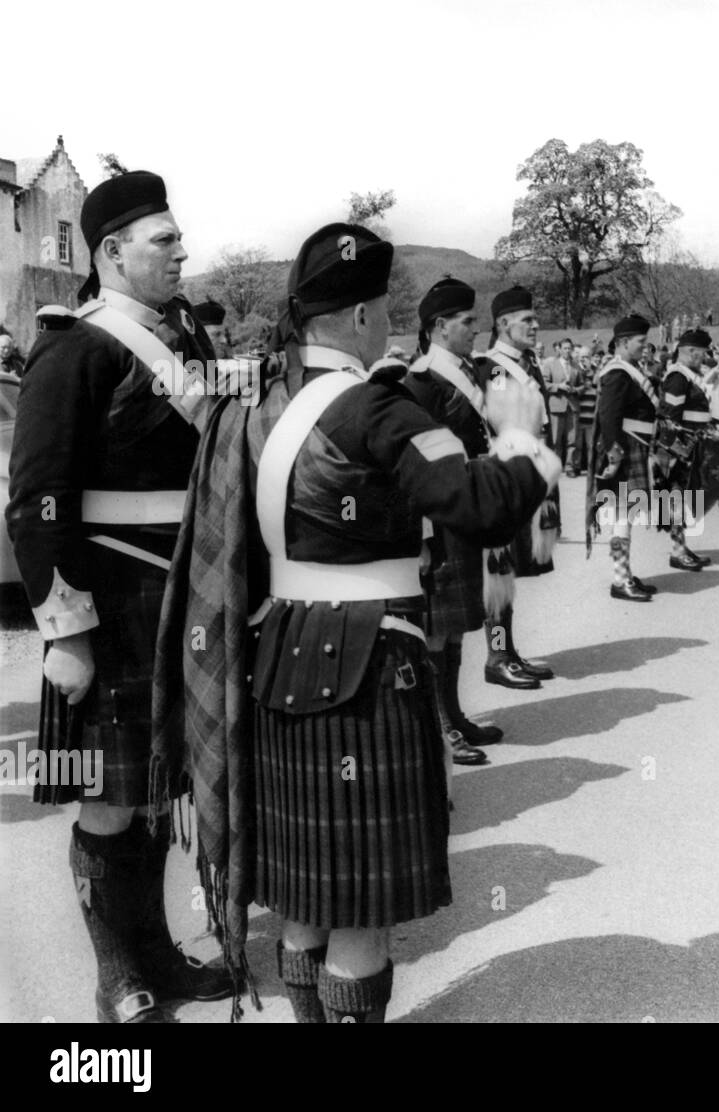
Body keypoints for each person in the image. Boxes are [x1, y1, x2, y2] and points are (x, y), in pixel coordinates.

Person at [156, 223, 558, 1022]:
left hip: (277, 660)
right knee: (361, 916)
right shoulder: (381, 409)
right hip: (372, 669)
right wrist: (527, 447)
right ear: (366, 316)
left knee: (306, 901)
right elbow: (477, 506)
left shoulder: (261, 406)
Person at [5, 170, 232, 1022]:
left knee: (156, 786)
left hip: (184, 600)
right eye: (162, 241)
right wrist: (65, 629)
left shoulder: (189, 344)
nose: (180, 252)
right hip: (112, 604)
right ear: (110, 253)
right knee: (108, 796)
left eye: (177, 238)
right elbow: (36, 500)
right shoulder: (72, 347)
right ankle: (116, 976)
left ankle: (161, 957)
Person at [402, 277, 498, 766]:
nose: (475, 329)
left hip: (465, 508)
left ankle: (455, 715)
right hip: (438, 515)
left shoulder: (462, 372)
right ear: (439, 327)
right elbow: (416, 463)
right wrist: (419, 533)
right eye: (466, 322)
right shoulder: (421, 381)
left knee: (458, 624)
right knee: (437, 626)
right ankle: (440, 728)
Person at [474, 286, 561, 688]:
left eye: (535, 318)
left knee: (509, 570)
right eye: (527, 320)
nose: (535, 325)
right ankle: (496, 656)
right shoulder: (493, 367)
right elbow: (501, 424)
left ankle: (507, 650)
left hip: (526, 471)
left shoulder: (525, 364)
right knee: (498, 570)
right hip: (506, 475)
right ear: (503, 324)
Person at [586, 314, 659, 601]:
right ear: (624, 342)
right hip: (624, 449)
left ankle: (625, 574)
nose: (645, 346)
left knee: (625, 516)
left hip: (634, 445)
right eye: (641, 341)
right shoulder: (617, 373)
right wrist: (614, 455)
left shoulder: (629, 369)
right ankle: (619, 580)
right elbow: (608, 417)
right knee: (621, 516)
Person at [657, 328, 715, 572]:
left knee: (684, 498)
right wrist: (677, 451)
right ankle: (678, 552)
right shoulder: (678, 377)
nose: (703, 358)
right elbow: (669, 417)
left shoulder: (688, 376)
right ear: (690, 351)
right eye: (701, 353)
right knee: (677, 499)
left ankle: (682, 546)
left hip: (691, 446)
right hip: (680, 450)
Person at [544, 336, 581, 475]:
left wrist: (576, 389)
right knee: (555, 440)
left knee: (572, 440)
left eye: (569, 348)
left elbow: (583, 384)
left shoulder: (576, 365)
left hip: (572, 406)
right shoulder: (550, 365)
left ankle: (570, 466)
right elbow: (544, 384)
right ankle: (555, 466)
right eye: (565, 348)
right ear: (559, 350)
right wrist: (558, 386)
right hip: (557, 405)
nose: (567, 351)